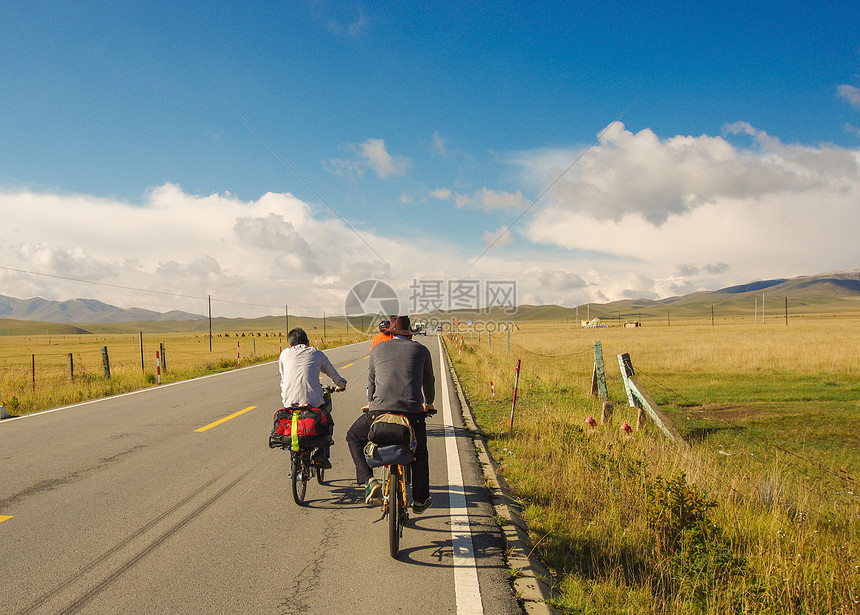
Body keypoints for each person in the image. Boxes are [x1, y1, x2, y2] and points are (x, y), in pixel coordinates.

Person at [346, 315, 435, 512]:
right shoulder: (421, 350)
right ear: (411, 335)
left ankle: (369, 480)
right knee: (419, 453)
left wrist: (371, 404)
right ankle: (420, 500)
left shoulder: (377, 349)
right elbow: (429, 382)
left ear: (391, 333)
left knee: (353, 436)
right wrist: (428, 404)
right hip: (412, 414)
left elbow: (371, 382)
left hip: (379, 411)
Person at [278, 327, 346, 469]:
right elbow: (332, 373)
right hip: (312, 404)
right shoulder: (316, 353)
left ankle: (294, 453)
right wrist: (342, 384)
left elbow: (284, 378)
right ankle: (321, 454)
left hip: (289, 404)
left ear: (289, 345)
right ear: (308, 342)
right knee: (328, 423)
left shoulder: (284, 354)